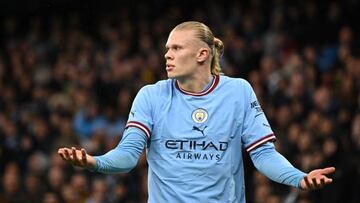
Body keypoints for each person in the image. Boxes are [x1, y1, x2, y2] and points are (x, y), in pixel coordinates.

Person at [58, 21, 335, 203]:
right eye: (167, 49)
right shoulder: (151, 96)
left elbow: (263, 155)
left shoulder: (238, 92)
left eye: (177, 48)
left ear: (202, 54)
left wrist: (300, 178)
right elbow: (129, 155)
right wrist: (94, 162)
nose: (167, 54)